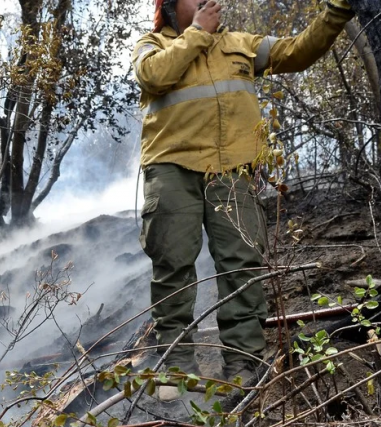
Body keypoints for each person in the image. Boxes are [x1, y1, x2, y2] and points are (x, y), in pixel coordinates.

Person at [133, 0, 354, 399]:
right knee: (173, 264)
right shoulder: (151, 45)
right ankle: (178, 365)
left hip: (231, 169)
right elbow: (152, 77)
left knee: (241, 265)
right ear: (168, 6)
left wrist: (337, 11)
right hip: (171, 168)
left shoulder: (242, 44)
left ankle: (243, 366)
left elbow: (298, 50)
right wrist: (196, 33)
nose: (206, 2)